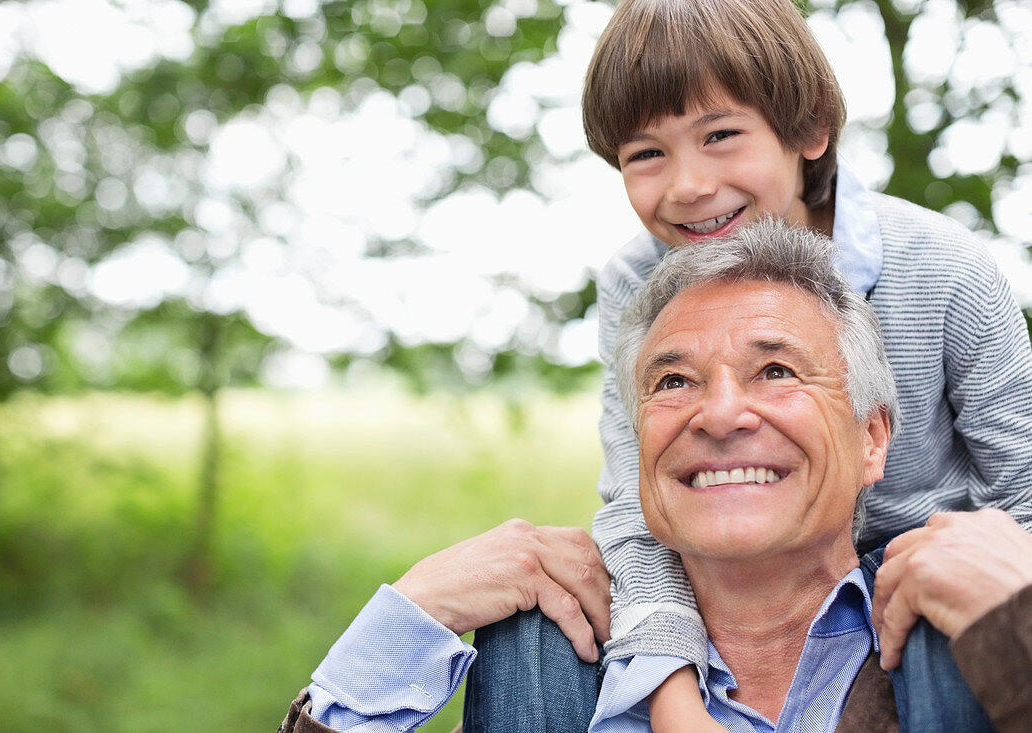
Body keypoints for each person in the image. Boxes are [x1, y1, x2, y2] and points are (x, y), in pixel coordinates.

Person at [277, 222, 1032, 733]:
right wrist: (413, 612)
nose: (721, 412)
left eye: (775, 369)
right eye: (673, 382)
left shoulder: (961, 639)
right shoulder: (551, 662)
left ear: (873, 438)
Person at [576, 0, 1032, 727]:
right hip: (736, 594)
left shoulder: (943, 269)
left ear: (810, 131)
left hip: (914, 597)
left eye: (720, 134)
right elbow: (636, 506)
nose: (688, 183)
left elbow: (1026, 490)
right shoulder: (638, 282)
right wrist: (670, 693)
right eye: (646, 154)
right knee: (549, 609)